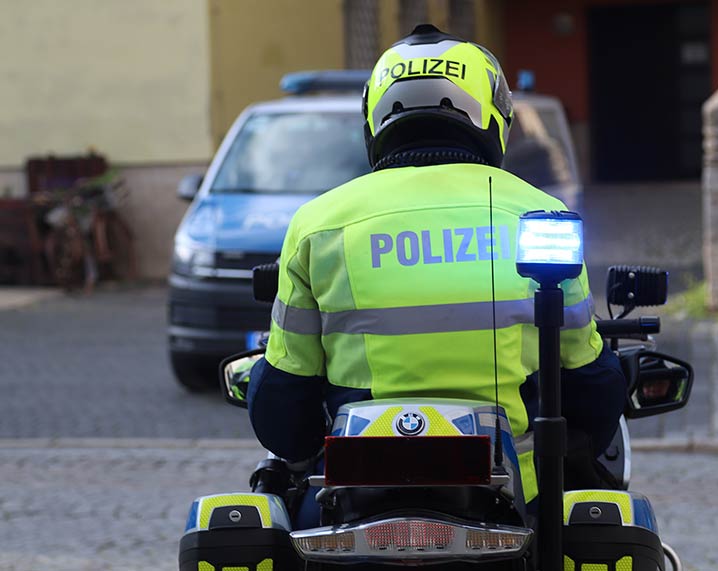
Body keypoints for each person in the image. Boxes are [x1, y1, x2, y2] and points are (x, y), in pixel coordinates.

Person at [247, 24, 627, 525]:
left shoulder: (319, 225)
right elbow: (591, 389)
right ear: (493, 115)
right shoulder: (540, 216)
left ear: (375, 117)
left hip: (353, 503)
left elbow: (282, 409)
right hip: (515, 503)